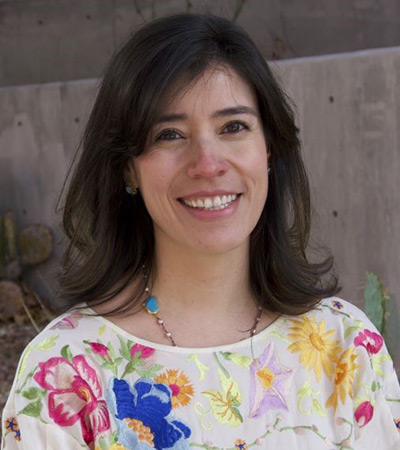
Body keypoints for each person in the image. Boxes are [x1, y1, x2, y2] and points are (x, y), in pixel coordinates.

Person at [2, 13, 400, 450]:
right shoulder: (66, 373)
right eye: (169, 134)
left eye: (233, 127)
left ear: (268, 149)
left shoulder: (345, 348)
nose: (208, 164)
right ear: (127, 167)